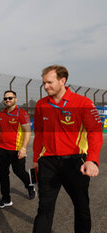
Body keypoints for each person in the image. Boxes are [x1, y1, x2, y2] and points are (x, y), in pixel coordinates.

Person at [32, 65, 103, 233]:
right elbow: (39, 134)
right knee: (44, 209)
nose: (46, 86)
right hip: (48, 163)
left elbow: (95, 132)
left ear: (62, 81)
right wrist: (36, 159)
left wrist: (92, 160)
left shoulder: (83, 102)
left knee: (81, 207)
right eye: (44, 83)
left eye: (49, 82)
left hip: (75, 162)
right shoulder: (41, 105)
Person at [0, 90, 36, 208]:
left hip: (17, 150)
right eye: (5, 98)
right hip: (2, 151)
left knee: (19, 172)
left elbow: (28, 132)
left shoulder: (22, 113)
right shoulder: (1, 114)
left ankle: (30, 186)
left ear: (15, 99)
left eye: (10, 98)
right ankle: (6, 199)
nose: (7, 100)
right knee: (3, 175)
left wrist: (23, 149)